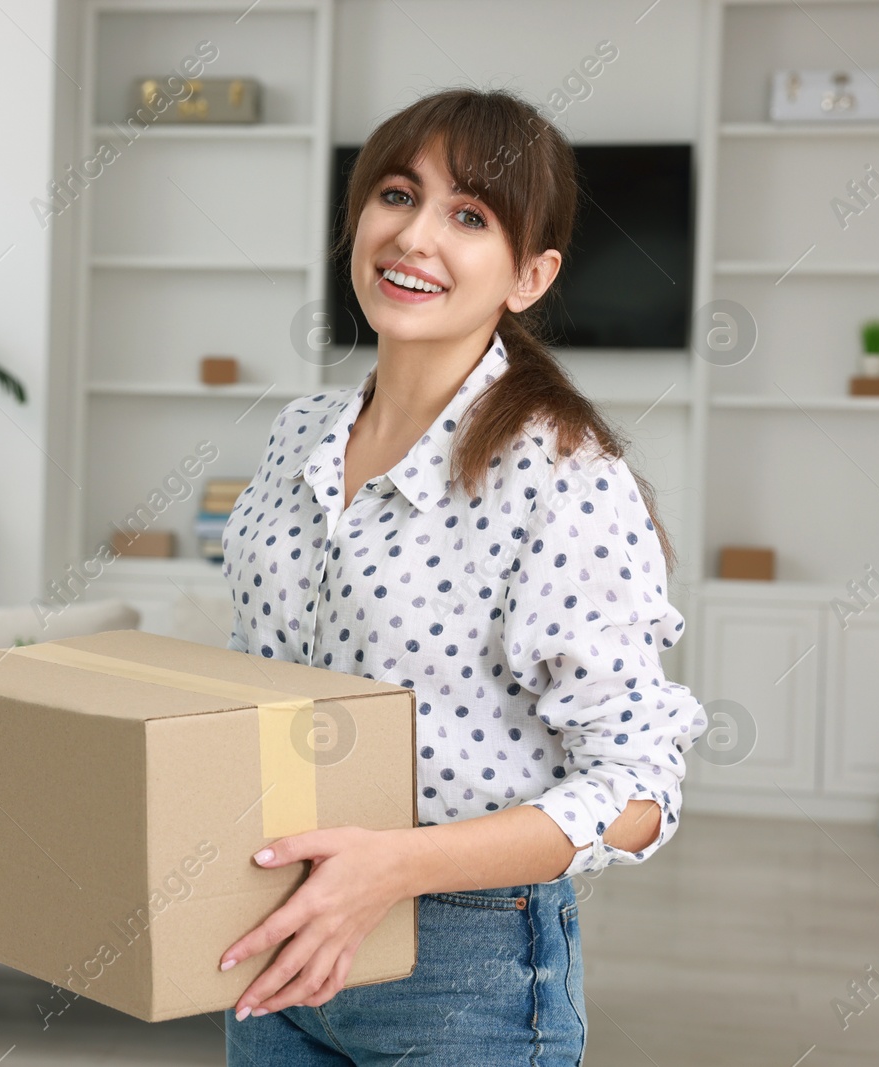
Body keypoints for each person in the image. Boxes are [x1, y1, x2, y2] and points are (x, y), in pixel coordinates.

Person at [217, 87, 706, 1065]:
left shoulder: (561, 474)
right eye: (397, 194)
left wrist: (392, 865)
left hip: (464, 967)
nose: (414, 236)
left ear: (530, 275)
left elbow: (639, 789)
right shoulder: (297, 436)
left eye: (469, 215)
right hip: (276, 927)